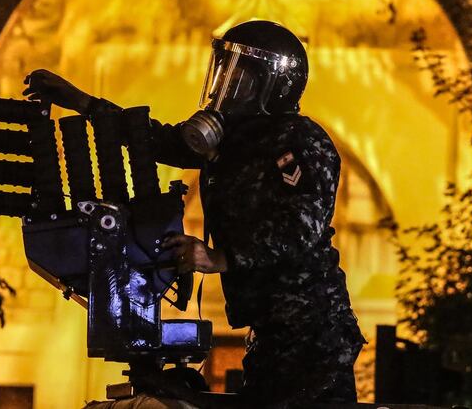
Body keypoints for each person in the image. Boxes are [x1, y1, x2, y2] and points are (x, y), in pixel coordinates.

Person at [23, 20, 365, 408]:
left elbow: (302, 226)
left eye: (242, 78)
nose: (226, 88)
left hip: (312, 331)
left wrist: (219, 257)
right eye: (223, 72)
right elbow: (153, 140)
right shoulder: (230, 142)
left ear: (276, 86)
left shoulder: (299, 140)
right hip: (272, 328)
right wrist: (82, 101)